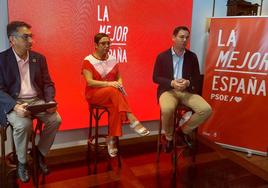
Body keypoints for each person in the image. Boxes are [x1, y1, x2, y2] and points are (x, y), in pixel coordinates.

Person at [0, 21, 62, 183]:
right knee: (23, 124)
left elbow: (48, 83)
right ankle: (22, 162)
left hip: (36, 100)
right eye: (25, 37)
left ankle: (39, 154)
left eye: (31, 37)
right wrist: (14, 106)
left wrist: (49, 101)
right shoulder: (2, 60)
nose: (31, 41)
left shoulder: (39, 59)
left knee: (55, 120)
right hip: (15, 101)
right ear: (12, 39)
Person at [82, 33, 150, 157]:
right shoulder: (88, 60)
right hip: (94, 94)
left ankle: (111, 138)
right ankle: (131, 118)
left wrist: (119, 84)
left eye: (108, 43)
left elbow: (119, 78)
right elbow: (90, 81)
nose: (107, 46)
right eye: (103, 43)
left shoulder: (113, 59)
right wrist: (111, 84)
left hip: (111, 96)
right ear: (96, 45)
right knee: (113, 91)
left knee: (115, 107)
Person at [153, 26, 212, 152]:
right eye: (181, 37)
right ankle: (168, 138)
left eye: (187, 38)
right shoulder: (162, 56)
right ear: (173, 38)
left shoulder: (192, 57)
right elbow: (156, 77)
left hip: (186, 91)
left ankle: (182, 131)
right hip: (168, 91)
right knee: (168, 109)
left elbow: (197, 77)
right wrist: (172, 83)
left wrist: (188, 82)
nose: (184, 40)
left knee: (206, 109)